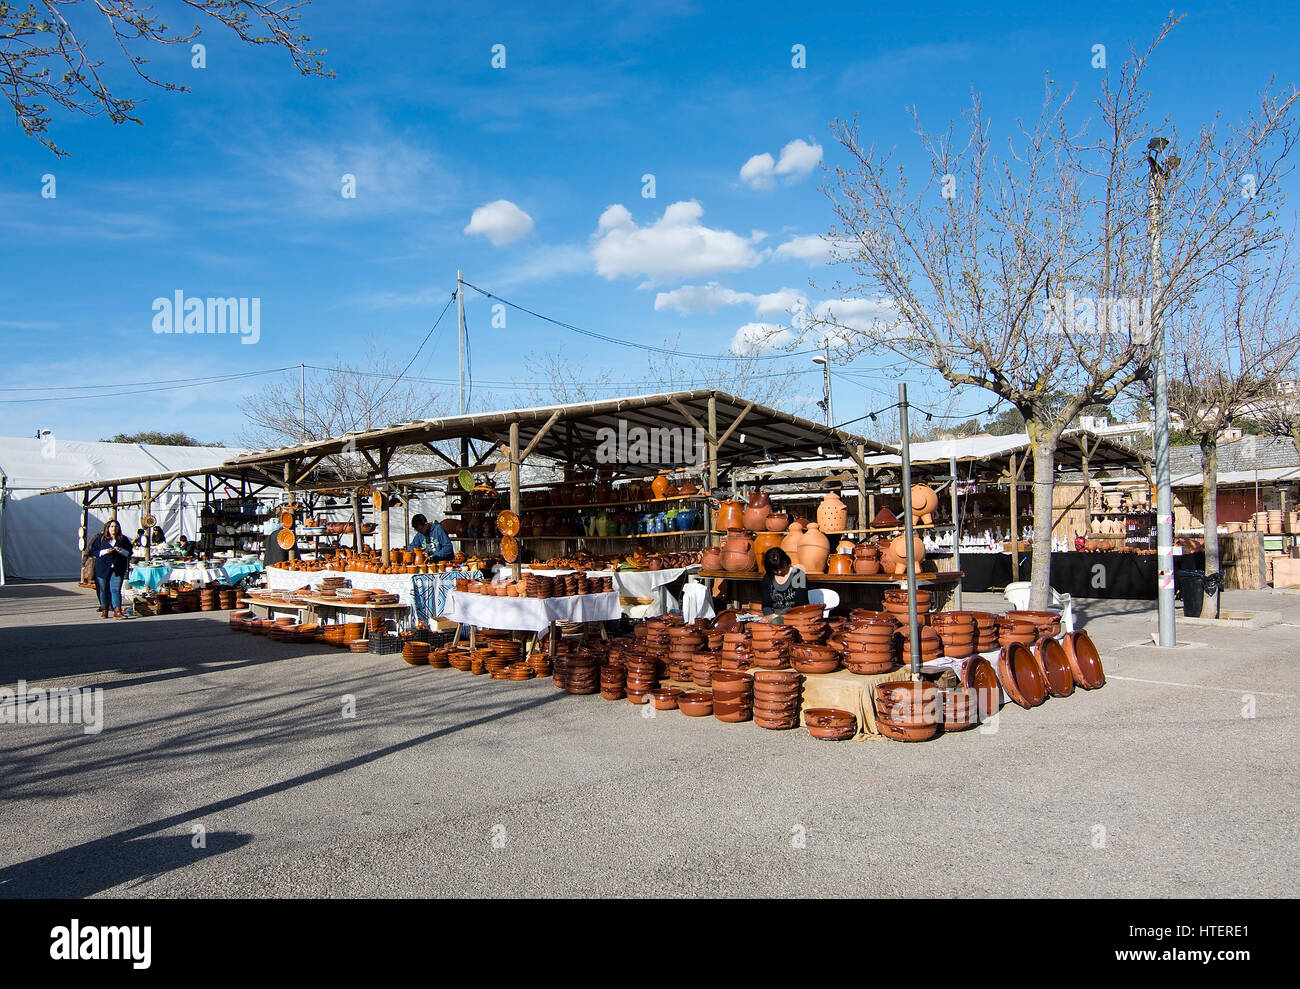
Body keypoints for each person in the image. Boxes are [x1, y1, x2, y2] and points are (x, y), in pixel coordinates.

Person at [86, 519, 133, 619]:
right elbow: (93, 551)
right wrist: (104, 551)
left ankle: (117, 611)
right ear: (107, 528)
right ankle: (104, 609)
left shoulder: (123, 539)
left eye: (116, 527)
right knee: (103, 589)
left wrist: (121, 550)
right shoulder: (100, 539)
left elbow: (129, 552)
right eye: (111, 526)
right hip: (102, 568)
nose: (114, 528)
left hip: (118, 568)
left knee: (115, 589)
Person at [760, 547, 809, 618]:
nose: (779, 571)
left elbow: (800, 604)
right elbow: (766, 605)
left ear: (786, 561)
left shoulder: (798, 575)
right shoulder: (768, 578)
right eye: (775, 569)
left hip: (795, 616)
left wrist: (777, 616)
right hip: (774, 618)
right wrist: (770, 617)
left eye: (782, 566)